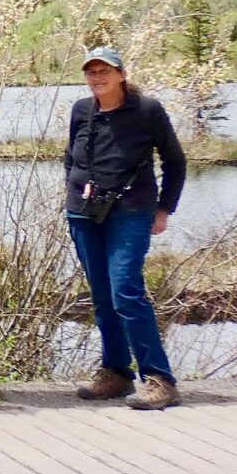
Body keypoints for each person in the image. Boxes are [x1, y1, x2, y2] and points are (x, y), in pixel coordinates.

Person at [65, 45, 187, 410]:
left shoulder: (147, 111)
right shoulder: (81, 110)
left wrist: (164, 209)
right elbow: (70, 157)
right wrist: (74, 190)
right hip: (84, 213)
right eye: (91, 71)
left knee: (126, 292)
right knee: (102, 296)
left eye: (105, 70)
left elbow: (175, 162)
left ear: (121, 73)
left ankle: (160, 379)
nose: (97, 77)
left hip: (131, 211)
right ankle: (116, 373)